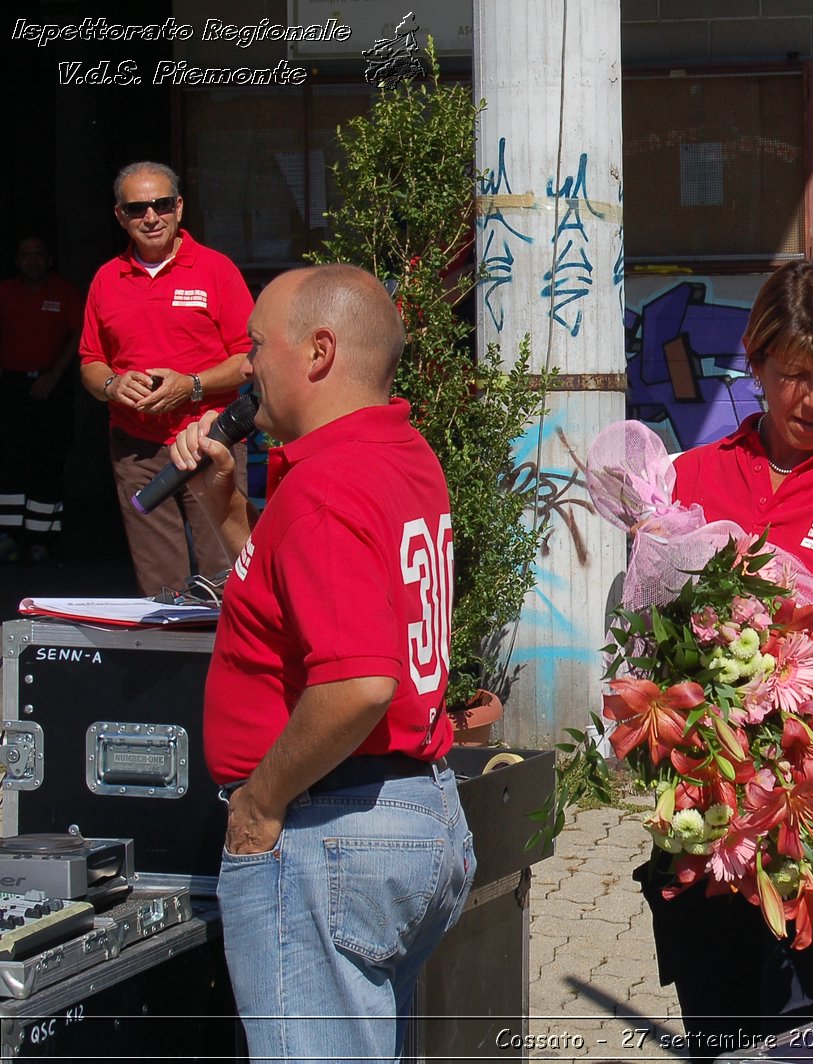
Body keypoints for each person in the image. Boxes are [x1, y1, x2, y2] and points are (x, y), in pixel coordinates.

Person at [169, 264, 474, 1062]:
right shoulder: (397, 456)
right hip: (404, 815)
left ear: (317, 351)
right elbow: (295, 616)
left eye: (255, 345)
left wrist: (260, 805)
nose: (245, 368)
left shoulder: (327, 487)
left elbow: (357, 681)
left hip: (329, 829)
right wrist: (229, 512)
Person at [635, 259, 813, 1064]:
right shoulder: (692, 478)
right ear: (756, 361)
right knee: (719, 1021)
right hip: (707, 805)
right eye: (797, 374)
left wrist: (784, 732)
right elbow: (653, 636)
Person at [80, 161, 253, 597]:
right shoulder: (105, 279)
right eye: (137, 208)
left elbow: (250, 357)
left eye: (160, 204)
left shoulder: (216, 270)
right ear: (120, 215)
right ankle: (170, 664)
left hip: (211, 441)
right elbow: (90, 361)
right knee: (160, 585)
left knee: (229, 573)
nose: (151, 217)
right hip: (136, 449)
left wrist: (191, 385)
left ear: (178, 206)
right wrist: (111, 386)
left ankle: (230, 660)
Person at [0, 237, 82, 562]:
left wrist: (55, 374)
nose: (32, 261)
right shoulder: (5, 292)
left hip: (51, 385)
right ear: (17, 261)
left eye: (38, 255)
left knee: (48, 459)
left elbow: (78, 335)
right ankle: (7, 538)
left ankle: (41, 540)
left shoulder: (64, 292)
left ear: (48, 260)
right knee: (10, 459)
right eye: (26, 256)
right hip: (12, 385)